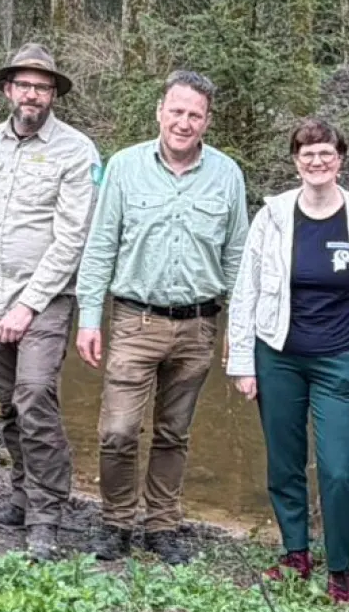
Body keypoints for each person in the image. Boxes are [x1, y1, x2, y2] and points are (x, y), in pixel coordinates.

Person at [225, 118, 349, 603]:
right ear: (296, 162)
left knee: (337, 471)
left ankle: (340, 567)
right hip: (278, 357)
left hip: (341, 360)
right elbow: (246, 292)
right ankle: (295, 553)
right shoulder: (273, 217)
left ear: (340, 159)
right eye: (307, 154)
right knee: (284, 463)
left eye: (326, 153)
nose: (317, 161)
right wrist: (243, 362)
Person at [74, 70, 248, 565]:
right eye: (177, 111)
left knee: (174, 432)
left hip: (198, 326)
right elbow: (101, 245)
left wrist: (239, 330)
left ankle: (162, 525)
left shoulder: (227, 175)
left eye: (195, 115)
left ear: (207, 121)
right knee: (118, 430)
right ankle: (115, 522)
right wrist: (89, 317)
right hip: (135, 321)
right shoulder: (125, 167)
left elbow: (238, 257)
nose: (184, 122)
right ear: (160, 112)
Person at [0, 44, 101, 560]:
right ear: (8, 89)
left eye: (42, 87)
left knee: (35, 396)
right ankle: (21, 497)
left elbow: (73, 237)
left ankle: (46, 516)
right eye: (24, 85)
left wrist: (28, 305)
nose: (33, 95)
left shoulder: (77, 151)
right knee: (9, 404)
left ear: (53, 94)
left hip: (45, 301)